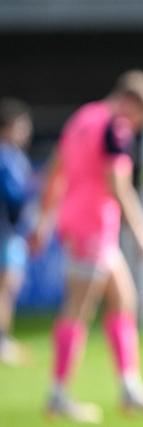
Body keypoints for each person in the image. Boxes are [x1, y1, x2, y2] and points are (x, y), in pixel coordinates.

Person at [31, 70, 143, 422]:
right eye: (140, 118)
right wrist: (141, 230)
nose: (137, 126)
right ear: (131, 103)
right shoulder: (114, 126)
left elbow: (57, 169)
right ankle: (57, 394)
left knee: (123, 300)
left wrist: (44, 219)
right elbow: (117, 183)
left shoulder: (83, 116)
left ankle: (129, 388)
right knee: (78, 309)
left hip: (79, 223)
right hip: (92, 228)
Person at [0, 98, 33, 366]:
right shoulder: (7, 157)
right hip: (6, 232)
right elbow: (16, 197)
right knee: (5, 287)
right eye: (21, 126)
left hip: (10, 232)